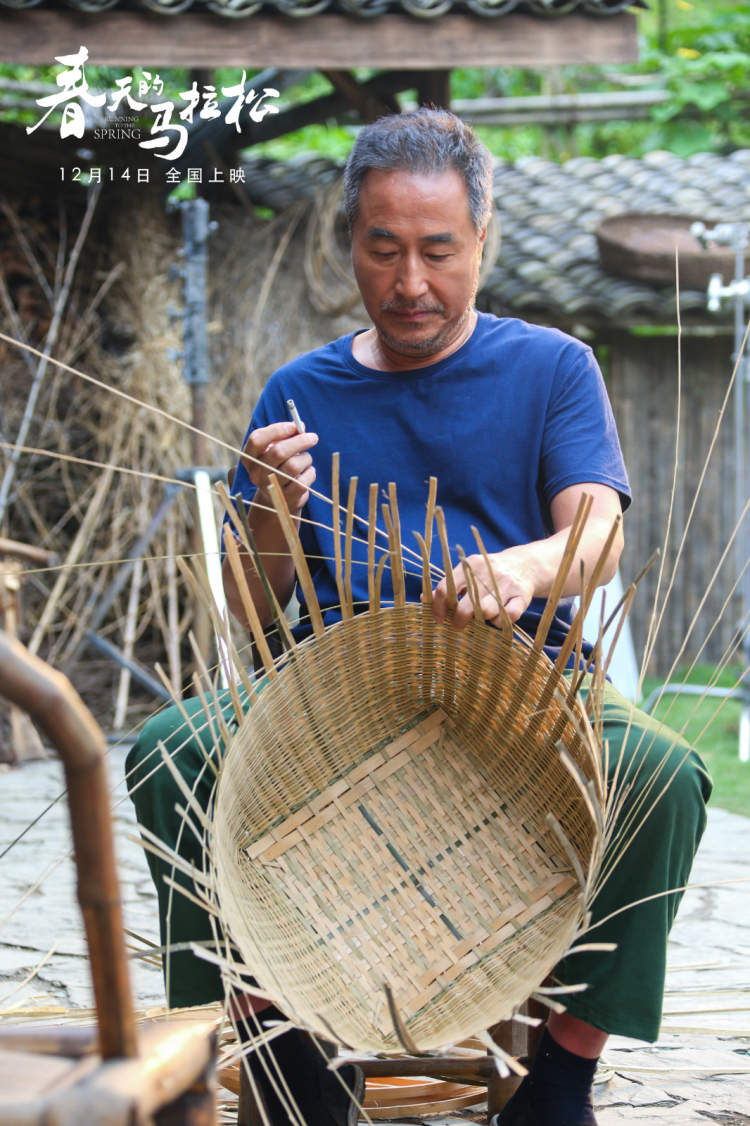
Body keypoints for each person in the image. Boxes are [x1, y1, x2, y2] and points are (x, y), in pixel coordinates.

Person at [127, 108, 711, 1126]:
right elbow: (247, 603)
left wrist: (521, 571)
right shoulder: (299, 392)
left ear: (481, 240)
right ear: (348, 241)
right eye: (383, 249)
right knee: (172, 751)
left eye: (438, 251)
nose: (410, 284)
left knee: (663, 774)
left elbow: (599, 534)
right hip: (326, 704)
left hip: (528, 695)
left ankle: (561, 1073)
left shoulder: (551, 369)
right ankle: (287, 1051)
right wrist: (268, 506)